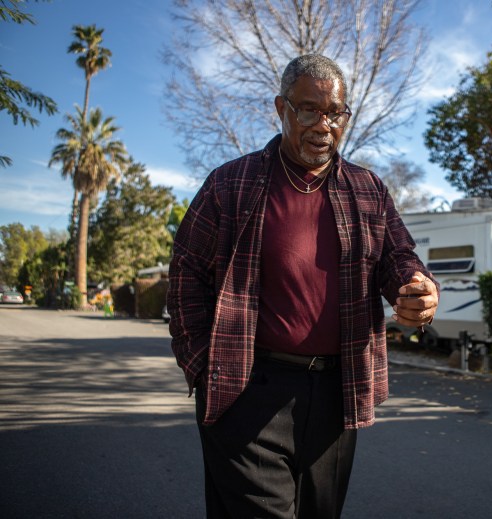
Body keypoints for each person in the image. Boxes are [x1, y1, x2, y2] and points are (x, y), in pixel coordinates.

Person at [167, 54, 439, 518]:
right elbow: (186, 275)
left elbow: (399, 257)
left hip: (337, 393)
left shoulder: (368, 189)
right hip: (249, 390)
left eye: (336, 113)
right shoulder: (230, 185)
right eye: (309, 109)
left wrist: (416, 290)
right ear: (281, 108)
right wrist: (202, 363)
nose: (324, 124)